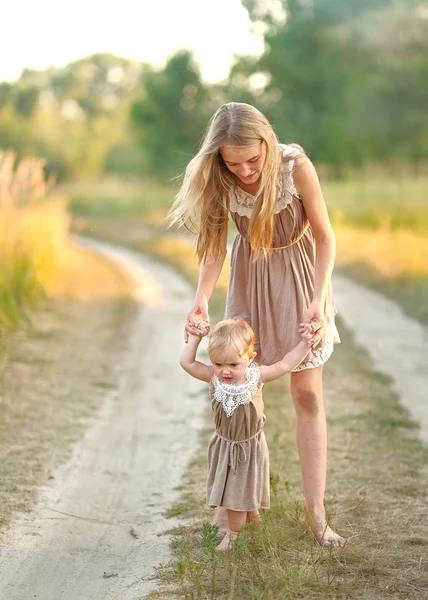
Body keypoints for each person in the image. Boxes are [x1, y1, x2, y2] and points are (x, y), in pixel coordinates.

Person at [169, 102, 345, 547]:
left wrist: (318, 301)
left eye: (252, 159)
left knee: (306, 394)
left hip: (300, 280)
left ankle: (316, 515)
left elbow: (325, 237)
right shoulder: (219, 178)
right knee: (232, 391)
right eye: (233, 162)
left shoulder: (294, 167)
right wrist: (200, 300)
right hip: (249, 281)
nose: (245, 171)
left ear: (267, 142)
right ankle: (229, 506)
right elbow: (213, 250)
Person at [180, 318, 312, 551]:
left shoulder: (256, 377)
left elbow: (285, 364)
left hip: (248, 446)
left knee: (240, 488)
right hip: (224, 444)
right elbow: (187, 362)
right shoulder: (213, 378)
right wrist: (195, 339)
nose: (225, 371)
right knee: (237, 486)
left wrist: (305, 343)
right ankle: (254, 524)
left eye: (233, 364)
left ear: (249, 358)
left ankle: (234, 534)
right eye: (218, 363)